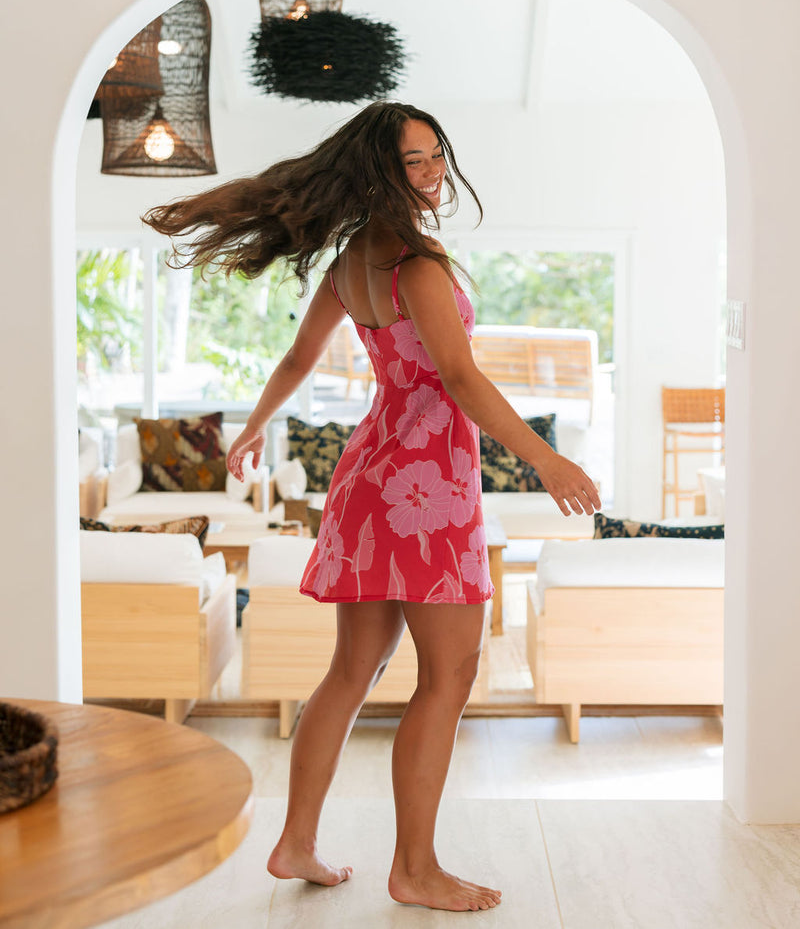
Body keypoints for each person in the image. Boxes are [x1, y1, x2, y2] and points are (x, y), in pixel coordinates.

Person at [143, 100, 600, 913]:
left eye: (435, 157)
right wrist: (547, 458)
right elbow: (458, 379)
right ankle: (414, 868)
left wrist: (252, 427)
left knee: (352, 671)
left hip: (368, 475)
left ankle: (296, 843)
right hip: (427, 484)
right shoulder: (417, 266)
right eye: (414, 161)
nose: (432, 174)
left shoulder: (353, 262)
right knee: (450, 672)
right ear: (380, 171)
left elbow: (296, 357)